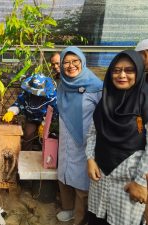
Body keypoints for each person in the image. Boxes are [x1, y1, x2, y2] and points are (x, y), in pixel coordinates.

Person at [86, 50, 148, 225]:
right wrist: (90, 158)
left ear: (139, 71)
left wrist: (140, 182)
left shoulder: (145, 101)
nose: (122, 75)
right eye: (116, 70)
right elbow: (93, 133)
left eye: (129, 70)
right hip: (101, 180)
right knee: (98, 219)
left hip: (128, 187)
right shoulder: (105, 101)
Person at [57, 46, 102, 224]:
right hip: (65, 138)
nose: (70, 66)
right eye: (66, 62)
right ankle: (68, 209)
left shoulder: (96, 87)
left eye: (75, 61)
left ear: (82, 62)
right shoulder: (63, 85)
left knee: (83, 181)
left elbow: (103, 117)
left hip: (86, 141)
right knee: (65, 174)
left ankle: (80, 217)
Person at [2, 73, 58, 150]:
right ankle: (26, 154)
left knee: (45, 137)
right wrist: (11, 111)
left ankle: (45, 155)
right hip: (31, 118)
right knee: (28, 135)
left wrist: (45, 124)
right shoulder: (26, 93)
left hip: (47, 119)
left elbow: (54, 111)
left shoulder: (52, 96)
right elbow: (19, 102)